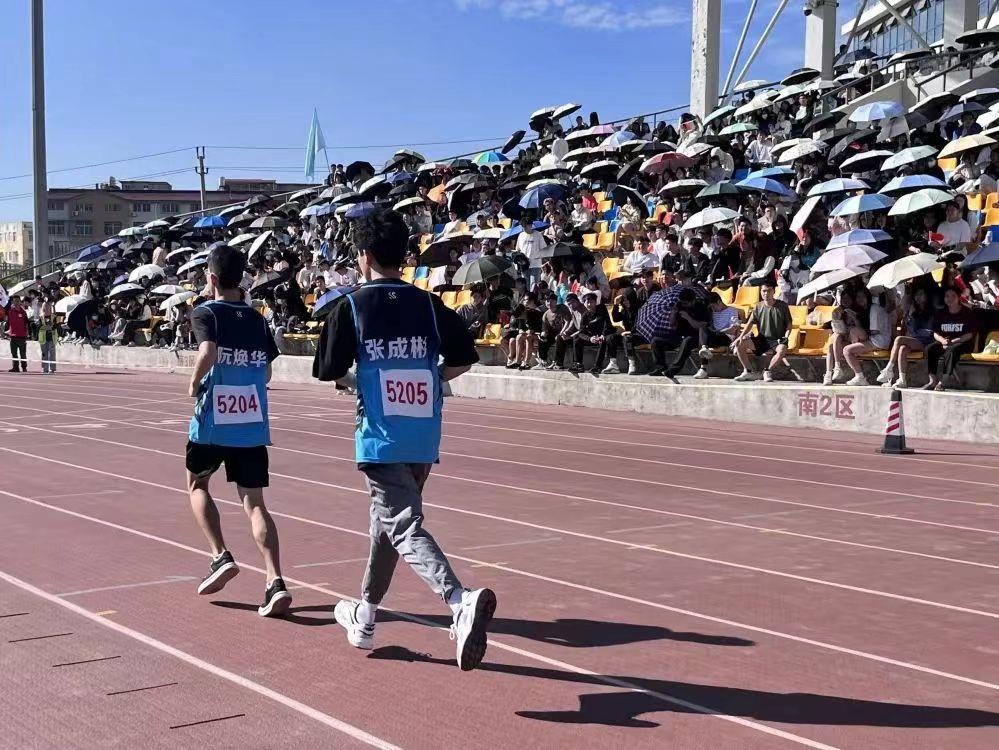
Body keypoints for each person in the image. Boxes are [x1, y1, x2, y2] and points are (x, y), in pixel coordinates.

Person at [312, 207, 495, 670]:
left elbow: (327, 369)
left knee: (403, 525)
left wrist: (358, 380)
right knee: (386, 525)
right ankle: (366, 614)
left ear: (364, 256)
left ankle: (458, 600)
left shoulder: (352, 306)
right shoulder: (430, 305)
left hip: (380, 435)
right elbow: (464, 358)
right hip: (423, 432)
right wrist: (431, 378)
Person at [185, 243, 291, 618]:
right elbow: (267, 370)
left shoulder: (205, 313)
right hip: (250, 421)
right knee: (255, 503)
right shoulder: (258, 319)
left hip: (214, 420)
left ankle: (220, 556)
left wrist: (194, 383)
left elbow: (208, 351)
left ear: (212, 279)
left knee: (197, 484)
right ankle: (275, 581)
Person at [732, 280, 791, 382]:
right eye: (764, 291)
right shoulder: (758, 306)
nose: (766, 293)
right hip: (762, 340)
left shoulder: (783, 306)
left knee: (782, 349)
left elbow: (789, 325)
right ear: (760, 292)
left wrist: (786, 337)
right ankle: (748, 371)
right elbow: (750, 324)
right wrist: (740, 337)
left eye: (769, 291)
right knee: (739, 343)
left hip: (777, 340)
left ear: (774, 291)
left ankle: (767, 371)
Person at [877, 287, 935, 389]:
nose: (918, 297)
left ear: (927, 297)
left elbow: (927, 332)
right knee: (902, 348)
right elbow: (906, 331)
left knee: (899, 339)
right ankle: (902, 379)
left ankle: (889, 369)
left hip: (926, 341)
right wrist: (909, 317)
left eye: (921, 294)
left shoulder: (931, 312)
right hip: (914, 341)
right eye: (917, 295)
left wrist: (912, 322)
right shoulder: (911, 312)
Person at [923, 287, 977, 391]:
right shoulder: (941, 313)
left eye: (953, 296)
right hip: (945, 342)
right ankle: (932, 380)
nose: (949, 298)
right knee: (930, 349)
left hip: (963, 343)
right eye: (947, 296)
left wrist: (953, 342)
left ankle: (943, 381)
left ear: (958, 297)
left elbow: (970, 334)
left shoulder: (967, 312)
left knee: (951, 350)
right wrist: (943, 341)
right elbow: (935, 333)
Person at [841, 289, 892, 386]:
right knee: (853, 332)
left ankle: (860, 377)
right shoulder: (865, 310)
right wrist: (854, 317)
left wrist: (859, 338)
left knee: (847, 350)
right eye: (858, 297)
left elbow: (874, 331)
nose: (860, 299)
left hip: (879, 341)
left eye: (863, 296)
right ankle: (858, 367)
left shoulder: (874, 309)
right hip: (874, 339)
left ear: (868, 297)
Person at [6, 296, 28, 372]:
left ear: (20, 302)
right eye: (15, 301)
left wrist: (27, 333)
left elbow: (26, 323)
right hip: (13, 336)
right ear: (12, 302)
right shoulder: (10, 311)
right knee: (14, 354)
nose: (16, 303)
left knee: (23, 354)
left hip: (22, 336)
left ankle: (24, 367)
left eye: (18, 301)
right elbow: (8, 323)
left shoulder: (23, 312)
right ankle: (15, 367)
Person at [38, 297, 58, 374]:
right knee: (44, 353)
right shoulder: (41, 317)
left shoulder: (53, 317)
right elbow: (39, 327)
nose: (46, 309)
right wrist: (45, 327)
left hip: (52, 337)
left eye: (47, 307)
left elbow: (55, 326)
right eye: (44, 307)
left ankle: (52, 368)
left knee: (52, 353)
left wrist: (51, 327)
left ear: (50, 308)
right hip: (43, 338)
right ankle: (44, 368)